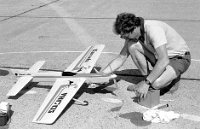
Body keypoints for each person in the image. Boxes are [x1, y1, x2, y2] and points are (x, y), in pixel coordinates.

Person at [100, 12, 191, 99]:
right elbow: (121, 58)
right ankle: (151, 78)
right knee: (132, 46)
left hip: (179, 59)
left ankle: (168, 79)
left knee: (155, 83)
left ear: (134, 28)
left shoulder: (153, 29)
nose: (122, 37)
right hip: (160, 57)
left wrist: (146, 83)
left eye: (124, 34)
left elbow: (164, 60)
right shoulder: (135, 33)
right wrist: (100, 75)